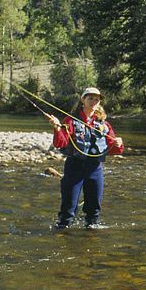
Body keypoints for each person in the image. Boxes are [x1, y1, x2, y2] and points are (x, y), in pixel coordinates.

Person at [46, 87, 124, 229]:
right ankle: (62, 233)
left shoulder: (104, 124)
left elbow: (113, 149)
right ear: (83, 100)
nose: (94, 101)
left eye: (97, 99)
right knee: (69, 207)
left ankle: (90, 235)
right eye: (90, 98)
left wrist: (118, 143)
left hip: (95, 169)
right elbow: (60, 143)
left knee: (94, 208)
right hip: (74, 168)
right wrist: (57, 128)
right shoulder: (70, 120)